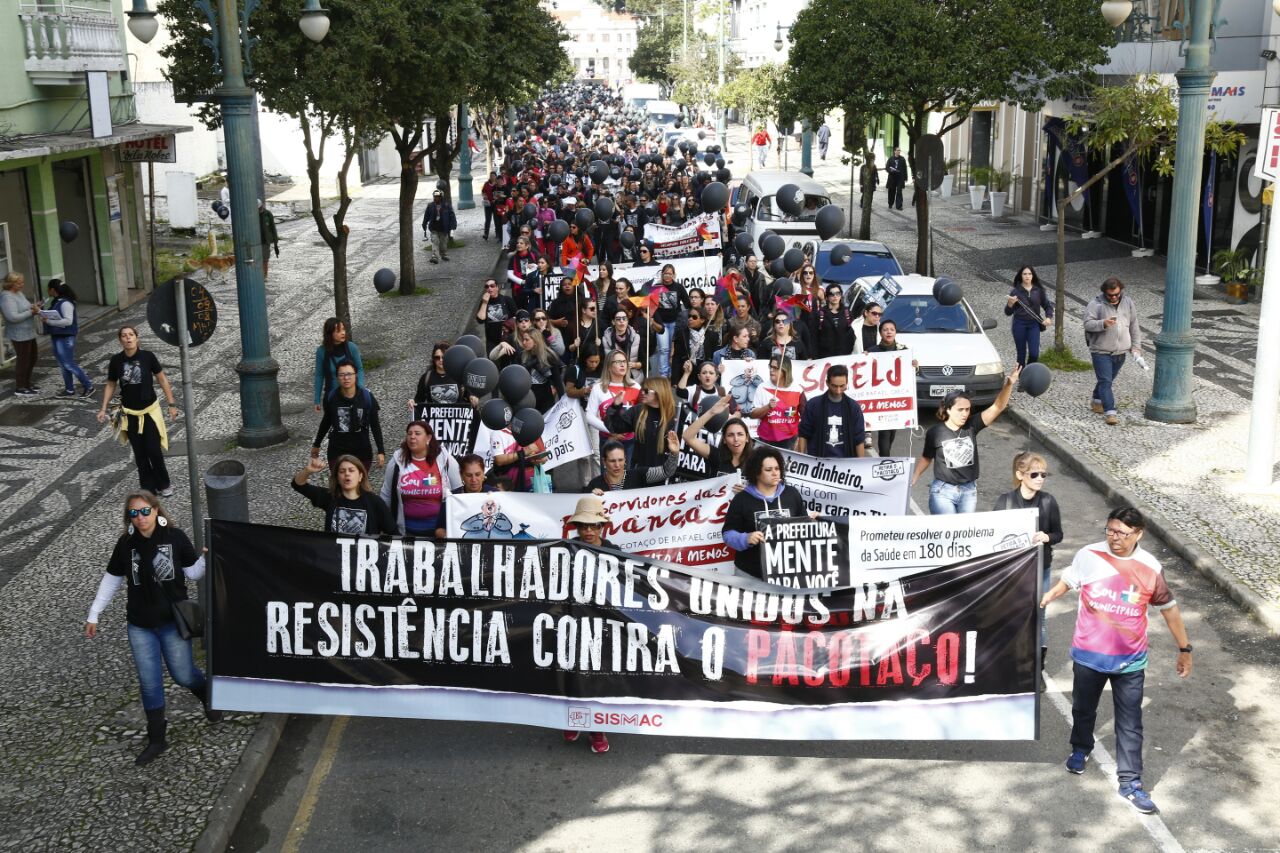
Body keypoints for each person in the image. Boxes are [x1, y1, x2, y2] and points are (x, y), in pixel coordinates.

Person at [1040, 507, 1192, 815]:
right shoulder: (1089, 555)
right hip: (1088, 655)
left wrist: (1185, 648)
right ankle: (1081, 748)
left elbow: (1170, 609)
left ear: (1139, 534)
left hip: (1130, 662)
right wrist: (1049, 596)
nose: (1114, 538)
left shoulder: (1150, 567)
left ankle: (1131, 783)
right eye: (1110, 530)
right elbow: (1069, 580)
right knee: (1083, 709)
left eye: (1122, 533)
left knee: (1130, 723)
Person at [85, 492, 220, 766]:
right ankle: (157, 739)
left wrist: (205, 558)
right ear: (129, 518)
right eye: (134, 513)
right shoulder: (126, 545)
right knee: (149, 682)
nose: (141, 518)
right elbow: (111, 580)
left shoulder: (175, 537)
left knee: (183, 675)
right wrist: (94, 614)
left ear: (156, 510)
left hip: (171, 622)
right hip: (140, 626)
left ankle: (206, 693)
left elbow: (193, 572)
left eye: (145, 511)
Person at [911, 367, 1020, 514]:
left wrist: (1009, 384)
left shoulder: (972, 425)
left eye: (967, 410)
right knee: (948, 532)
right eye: (960, 410)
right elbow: (926, 457)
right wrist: (915, 477)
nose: (965, 414)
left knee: (964, 534)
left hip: (968, 491)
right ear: (948, 410)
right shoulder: (935, 432)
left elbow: (998, 407)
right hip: (943, 492)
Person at [993, 451, 1063, 661]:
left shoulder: (1049, 502)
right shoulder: (1005, 502)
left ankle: (1037, 668)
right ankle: (1010, 661)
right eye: (1034, 474)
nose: (1040, 478)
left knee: (1038, 618)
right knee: (1010, 615)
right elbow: (993, 536)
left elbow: (1058, 534)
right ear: (1020, 474)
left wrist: (1047, 537)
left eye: (1043, 474)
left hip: (1041, 567)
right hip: (1013, 571)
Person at [97, 326, 180, 497]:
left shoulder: (148, 357)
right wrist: (103, 408)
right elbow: (111, 384)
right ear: (120, 340)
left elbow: (162, 379)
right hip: (129, 413)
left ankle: (163, 484)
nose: (128, 338)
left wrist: (171, 404)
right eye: (124, 336)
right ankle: (148, 487)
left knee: (154, 450)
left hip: (149, 411)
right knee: (139, 453)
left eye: (131, 335)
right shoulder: (116, 361)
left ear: (137, 338)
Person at [562, 495, 614, 755]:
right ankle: (574, 718)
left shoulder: (614, 551)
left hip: (603, 625)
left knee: (598, 676)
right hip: (572, 622)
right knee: (572, 672)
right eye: (584, 526)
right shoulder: (565, 549)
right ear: (577, 528)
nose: (589, 531)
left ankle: (597, 727)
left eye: (594, 526)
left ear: (602, 527)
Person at [722, 446, 808, 578]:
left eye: (777, 468)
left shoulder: (792, 494)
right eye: (768, 470)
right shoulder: (741, 499)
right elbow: (728, 534)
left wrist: (812, 522)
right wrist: (745, 538)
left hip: (786, 572)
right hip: (749, 573)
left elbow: (804, 528)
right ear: (756, 472)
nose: (775, 473)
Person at [379, 421, 462, 536]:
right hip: (405, 532)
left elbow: (459, 492)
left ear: (428, 437)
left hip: (439, 532)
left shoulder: (445, 459)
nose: (412, 436)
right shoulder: (397, 461)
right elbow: (386, 496)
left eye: (417, 433)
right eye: (409, 433)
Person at [1084, 277, 1142, 426]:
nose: (1114, 297)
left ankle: (1097, 400)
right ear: (1104, 293)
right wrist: (1103, 323)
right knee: (1106, 381)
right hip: (1100, 351)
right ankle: (1110, 412)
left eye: (1117, 294)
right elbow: (1087, 324)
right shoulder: (1095, 304)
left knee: (1107, 380)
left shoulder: (1128, 302)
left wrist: (1135, 347)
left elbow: (1134, 325)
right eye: (1111, 295)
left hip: (1121, 352)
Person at [292, 454, 396, 535]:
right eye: (342, 471)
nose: (347, 474)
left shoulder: (375, 502)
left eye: (351, 470)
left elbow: (393, 532)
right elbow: (298, 485)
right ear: (337, 478)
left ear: (360, 476)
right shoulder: (329, 497)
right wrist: (308, 471)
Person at [312, 362, 385, 473]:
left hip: (362, 451)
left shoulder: (366, 397)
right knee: (339, 485)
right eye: (342, 375)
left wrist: (381, 450)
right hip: (337, 450)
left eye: (349, 374)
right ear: (337, 377)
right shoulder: (331, 397)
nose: (346, 378)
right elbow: (326, 421)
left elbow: (375, 425)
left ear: (355, 375)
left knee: (359, 486)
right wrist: (317, 444)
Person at [605, 376, 679, 480]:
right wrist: (615, 406)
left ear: (659, 391)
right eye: (642, 390)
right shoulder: (638, 411)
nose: (642, 393)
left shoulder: (676, 415)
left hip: (666, 475)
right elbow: (614, 427)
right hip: (640, 473)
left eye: (646, 391)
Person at [867, 319, 917, 457]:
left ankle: (885, 456)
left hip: (896, 397)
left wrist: (915, 366)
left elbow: (912, 373)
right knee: (884, 432)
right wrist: (864, 359)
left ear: (895, 332)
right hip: (880, 397)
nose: (889, 332)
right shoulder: (872, 351)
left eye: (892, 329)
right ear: (880, 333)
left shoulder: (904, 351)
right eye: (885, 329)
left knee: (891, 432)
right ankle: (885, 460)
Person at [796, 364, 866, 458]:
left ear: (847, 383)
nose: (838, 390)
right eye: (834, 386)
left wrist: (860, 466)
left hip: (846, 464)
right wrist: (801, 460)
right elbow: (804, 434)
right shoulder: (813, 405)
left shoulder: (853, 407)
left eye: (842, 386)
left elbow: (859, 439)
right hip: (818, 463)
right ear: (827, 383)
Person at [41, 279, 94, 397]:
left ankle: (88, 386)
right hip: (58, 336)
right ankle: (69, 389)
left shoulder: (65, 303)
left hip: (65, 337)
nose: (47, 291)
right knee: (63, 364)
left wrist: (48, 321)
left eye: (48, 289)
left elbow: (68, 321)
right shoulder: (57, 301)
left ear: (53, 290)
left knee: (69, 364)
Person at [684, 398, 754, 477]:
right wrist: (711, 412)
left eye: (740, 434)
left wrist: (746, 489)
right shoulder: (717, 455)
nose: (736, 439)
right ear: (724, 439)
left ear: (747, 438)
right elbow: (687, 437)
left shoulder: (755, 462)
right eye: (730, 435)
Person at [749, 357, 804, 450]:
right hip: (766, 439)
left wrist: (799, 438)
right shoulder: (762, 387)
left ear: (785, 370)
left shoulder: (798, 389)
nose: (771, 370)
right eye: (770, 367)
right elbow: (753, 414)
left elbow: (805, 416)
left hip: (790, 440)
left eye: (775, 368)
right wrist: (768, 407)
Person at [1006, 265, 1054, 366]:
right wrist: (1010, 304)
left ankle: (1029, 372)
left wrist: (1049, 317)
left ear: (1033, 276)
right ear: (1021, 276)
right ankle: (1021, 376)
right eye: (1024, 274)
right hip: (1019, 324)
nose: (1027, 276)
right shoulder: (1015, 291)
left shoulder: (1039, 290)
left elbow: (1047, 306)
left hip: (1034, 324)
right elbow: (1008, 312)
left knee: (1034, 353)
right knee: (1021, 354)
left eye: (1029, 274)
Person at [313, 317, 363, 412]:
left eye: (343, 329)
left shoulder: (352, 348)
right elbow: (319, 376)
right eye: (338, 331)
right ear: (330, 333)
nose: (343, 333)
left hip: (351, 395)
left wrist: (360, 389)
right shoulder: (321, 351)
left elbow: (359, 369)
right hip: (332, 396)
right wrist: (317, 400)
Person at [1, 271, 40, 395]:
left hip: (28, 331)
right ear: (11, 284)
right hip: (19, 334)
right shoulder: (7, 297)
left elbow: (25, 306)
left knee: (32, 357)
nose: (22, 285)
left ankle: (27, 382)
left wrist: (34, 306)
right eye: (19, 283)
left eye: (22, 282)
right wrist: (31, 313)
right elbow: (12, 317)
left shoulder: (18, 293)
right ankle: (20, 386)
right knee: (24, 360)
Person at [412, 341, 465, 411]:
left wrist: (473, 397)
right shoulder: (426, 378)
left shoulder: (459, 376)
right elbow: (419, 400)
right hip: (433, 420)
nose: (441, 360)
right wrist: (412, 402)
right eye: (437, 357)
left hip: (457, 419)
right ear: (433, 358)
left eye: (444, 357)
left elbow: (468, 396)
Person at [810, 284, 854, 358]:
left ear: (841, 295)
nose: (835, 296)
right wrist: (814, 357)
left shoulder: (847, 313)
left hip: (844, 356)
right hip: (824, 357)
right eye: (832, 294)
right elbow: (814, 338)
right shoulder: (820, 314)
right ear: (827, 297)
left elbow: (852, 335)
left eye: (838, 293)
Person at [476, 278, 518, 352]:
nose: (489, 288)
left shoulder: (507, 300)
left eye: (492, 286)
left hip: (507, 338)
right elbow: (480, 320)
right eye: (487, 286)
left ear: (497, 287)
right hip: (491, 340)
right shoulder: (484, 302)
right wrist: (485, 302)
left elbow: (516, 316)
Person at [422, 189, 457, 263]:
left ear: (441, 197)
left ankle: (443, 254)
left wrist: (453, 226)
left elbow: (452, 216)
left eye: (437, 197)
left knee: (443, 244)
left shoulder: (447, 206)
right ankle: (435, 256)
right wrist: (424, 223)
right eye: (434, 196)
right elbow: (426, 216)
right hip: (434, 228)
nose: (435, 198)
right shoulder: (430, 206)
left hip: (444, 228)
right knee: (435, 241)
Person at [259, 199, 279, 280]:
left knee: (265, 259)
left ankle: (265, 275)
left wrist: (275, 240)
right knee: (257, 259)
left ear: (262, 206)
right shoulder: (253, 214)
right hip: (256, 241)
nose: (259, 210)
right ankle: (259, 274)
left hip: (266, 241)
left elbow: (273, 227)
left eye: (260, 208)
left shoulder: (268, 214)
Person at [481, 171, 499, 240]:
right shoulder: (486, 184)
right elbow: (483, 191)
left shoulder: (497, 185)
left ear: (495, 177)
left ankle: (497, 233)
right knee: (487, 219)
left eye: (493, 176)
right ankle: (486, 233)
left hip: (495, 204)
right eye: (491, 176)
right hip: (487, 204)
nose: (492, 177)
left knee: (496, 219)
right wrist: (484, 195)